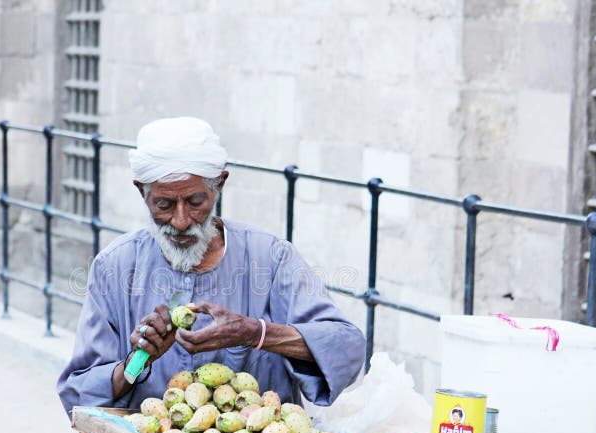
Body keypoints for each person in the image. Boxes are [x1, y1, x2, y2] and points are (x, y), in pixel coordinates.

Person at [57, 117, 366, 417]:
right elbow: (77, 393)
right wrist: (138, 360)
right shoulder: (116, 267)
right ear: (142, 192)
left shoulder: (270, 257)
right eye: (164, 205)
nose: (180, 221)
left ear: (219, 185)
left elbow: (346, 349)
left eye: (195, 202)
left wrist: (255, 333)